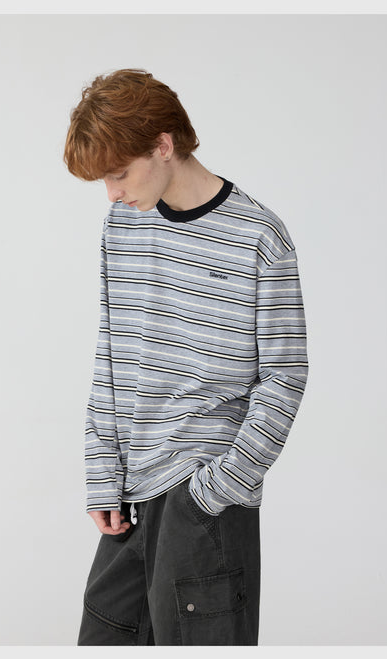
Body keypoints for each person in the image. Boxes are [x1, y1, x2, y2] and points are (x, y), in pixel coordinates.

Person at [63, 68, 309, 646]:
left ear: (163, 144)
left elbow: (285, 375)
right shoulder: (123, 225)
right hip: (132, 497)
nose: (112, 193)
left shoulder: (259, 237)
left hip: (205, 501)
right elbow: (114, 350)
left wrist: (217, 489)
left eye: (119, 174)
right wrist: (103, 473)